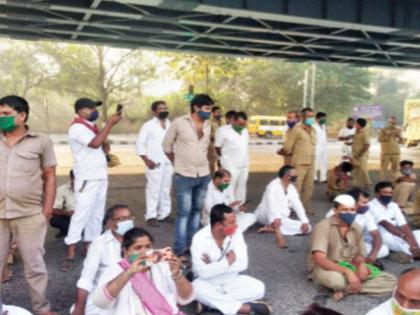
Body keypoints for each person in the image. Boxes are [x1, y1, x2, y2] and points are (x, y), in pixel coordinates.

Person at [0, 95, 57, 315]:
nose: (1, 118)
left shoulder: (41, 141)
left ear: (22, 115)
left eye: (6, 114)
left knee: (34, 267)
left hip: (30, 214)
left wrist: (47, 210)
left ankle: (42, 309)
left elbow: (50, 176)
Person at [64, 98, 122, 266]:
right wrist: (109, 124)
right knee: (82, 213)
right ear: (80, 111)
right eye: (90, 108)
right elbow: (95, 144)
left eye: (94, 108)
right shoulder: (77, 127)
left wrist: (106, 136)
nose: (93, 111)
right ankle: (71, 247)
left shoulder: (92, 127)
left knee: (96, 214)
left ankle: (91, 244)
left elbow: (102, 146)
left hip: (99, 176)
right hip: (86, 177)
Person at [308, 194, 396, 301]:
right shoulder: (323, 227)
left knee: (391, 280)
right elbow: (319, 259)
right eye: (345, 210)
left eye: (352, 210)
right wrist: (348, 272)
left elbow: (360, 254)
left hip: (349, 265)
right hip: (327, 267)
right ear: (335, 210)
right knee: (337, 281)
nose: (350, 213)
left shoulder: (356, 227)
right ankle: (348, 285)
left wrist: (361, 264)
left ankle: (347, 289)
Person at [92, 227, 194, 315]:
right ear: (126, 251)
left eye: (148, 246)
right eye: (138, 248)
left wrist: (177, 275)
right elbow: (100, 302)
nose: (144, 251)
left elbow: (186, 298)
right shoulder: (114, 270)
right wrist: (129, 272)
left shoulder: (162, 266)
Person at [192, 204, 271, 315]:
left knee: (259, 288)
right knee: (196, 288)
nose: (236, 225)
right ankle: (246, 308)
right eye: (232, 222)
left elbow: (243, 264)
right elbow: (203, 273)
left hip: (231, 279)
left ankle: (211, 306)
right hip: (208, 282)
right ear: (219, 225)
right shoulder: (199, 239)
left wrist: (213, 264)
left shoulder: (236, 233)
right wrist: (228, 262)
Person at [162, 94, 213, 257]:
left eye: (210, 109)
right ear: (196, 108)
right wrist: (177, 163)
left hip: (203, 174)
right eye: (206, 108)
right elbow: (166, 146)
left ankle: (193, 245)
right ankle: (179, 247)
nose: (209, 112)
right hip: (184, 175)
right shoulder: (179, 123)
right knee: (184, 212)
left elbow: (206, 148)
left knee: (196, 211)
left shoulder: (208, 125)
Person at [71, 205, 135, 315]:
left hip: (135, 289)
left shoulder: (138, 240)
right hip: (107, 293)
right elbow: (86, 279)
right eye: (122, 219)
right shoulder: (99, 244)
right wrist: (79, 308)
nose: (127, 222)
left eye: (129, 218)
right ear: (110, 223)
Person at [326, 188, 389, 263]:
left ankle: (356, 259)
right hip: (337, 244)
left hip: (355, 245)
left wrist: (373, 256)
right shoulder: (334, 213)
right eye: (364, 202)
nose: (367, 205)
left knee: (384, 249)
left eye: (367, 202)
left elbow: (376, 235)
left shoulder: (365, 213)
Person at [136, 100, 173, 227]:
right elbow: (140, 144)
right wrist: (146, 160)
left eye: (165, 108)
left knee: (166, 189)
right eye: (161, 108)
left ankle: (164, 214)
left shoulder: (170, 124)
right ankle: (151, 216)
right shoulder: (148, 126)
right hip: (154, 163)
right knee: (153, 190)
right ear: (154, 111)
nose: (164, 110)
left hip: (168, 162)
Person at [255, 165, 311, 248]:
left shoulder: (291, 188)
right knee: (274, 215)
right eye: (294, 175)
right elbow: (271, 205)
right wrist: (276, 218)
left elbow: (298, 205)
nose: (296, 177)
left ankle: (271, 228)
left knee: (307, 228)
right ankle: (278, 234)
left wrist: (304, 221)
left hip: (282, 218)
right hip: (265, 215)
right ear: (286, 176)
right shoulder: (272, 186)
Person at [369, 181, 420, 260]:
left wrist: (413, 242)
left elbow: (404, 225)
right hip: (379, 235)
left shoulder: (394, 205)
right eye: (385, 193)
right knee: (386, 237)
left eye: (390, 193)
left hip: (397, 234)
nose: (388, 195)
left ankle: (413, 250)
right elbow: (385, 224)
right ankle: (413, 252)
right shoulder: (371, 205)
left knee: (417, 233)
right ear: (377, 193)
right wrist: (404, 237)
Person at [283, 107, 316, 213]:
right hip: (299, 163)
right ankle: (292, 209)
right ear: (303, 117)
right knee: (296, 187)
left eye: (312, 116)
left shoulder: (313, 130)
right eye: (309, 116)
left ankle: (306, 207)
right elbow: (288, 147)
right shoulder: (296, 130)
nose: (311, 118)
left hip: (311, 162)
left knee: (309, 187)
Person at [215, 111, 249, 203]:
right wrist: (223, 159)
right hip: (230, 164)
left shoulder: (245, 131)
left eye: (244, 125)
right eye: (240, 124)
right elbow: (217, 147)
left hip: (244, 164)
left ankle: (240, 209)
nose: (241, 127)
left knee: (241, 188)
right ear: (233, 121)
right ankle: (228, 210)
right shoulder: (223, 131)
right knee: (229, 188)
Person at [50, 170, 75, 238]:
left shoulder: (89, 189)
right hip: (69, 217)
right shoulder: (62, 189)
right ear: (71, 178)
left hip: (85, 217)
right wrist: (67, 213)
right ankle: (66, 231)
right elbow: (53, 210)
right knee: (54, 220)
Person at [378, 116, 401, 181]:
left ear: (396, 123)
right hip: (386, 152)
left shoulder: (398, 129)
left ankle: (393, 182)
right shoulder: (383, 129)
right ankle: (382, 182)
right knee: (383, 169)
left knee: (395, 169)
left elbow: (401, 141)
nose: (392, 124)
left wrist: (399, 136)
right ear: (388, 122)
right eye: (391, 122)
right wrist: (388, 135)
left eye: (394, 123)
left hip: (396, 152)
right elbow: (380, 139)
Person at [351, 118, 371, 189]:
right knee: (356, 169)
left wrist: (359, 154)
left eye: (356, 123)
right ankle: (356, 184)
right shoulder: (356, 132)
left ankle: (367, 183)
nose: (355, 124)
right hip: (355, 154)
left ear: (359, 124)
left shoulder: (364, 133)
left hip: (362, 155)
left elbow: (367, 145)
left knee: (363, 168)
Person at [314, 112, 328, 183]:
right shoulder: (313, 126)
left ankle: (323, 178)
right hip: (316, 147)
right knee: (316, 163)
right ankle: (314, 178)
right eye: (323, 119)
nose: (324, 120)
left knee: (324, 162)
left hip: (324, 147)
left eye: (325, 119)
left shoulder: (323, 126)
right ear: (317, 119)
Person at [208, 106, 223, 174]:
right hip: (212, 145)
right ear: (213, 113)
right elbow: (207, 134)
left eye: (220, 112)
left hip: (221, 145)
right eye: (217, 112)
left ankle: (221, 176)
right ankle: (212, 177)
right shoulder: (209, 122)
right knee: (212, 163)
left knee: (221, 162)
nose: (219, 114)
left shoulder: (222, 122)